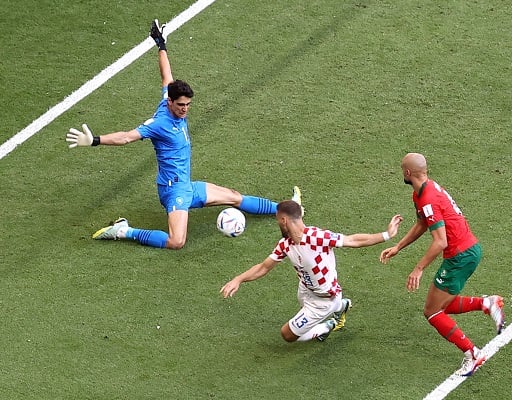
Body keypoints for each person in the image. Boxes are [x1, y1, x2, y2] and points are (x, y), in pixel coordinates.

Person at [66, 20, 301, 250]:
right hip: (173, 190)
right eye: (180, 105)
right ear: (170, 102)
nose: (185, 109)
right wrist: (95, 140)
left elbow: (166, 76)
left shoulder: (170, 99)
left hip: (187, 186)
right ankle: (123, 230)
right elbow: (127, 137)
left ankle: (285, 209)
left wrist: (161, 45)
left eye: (188, 105)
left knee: (234, 197)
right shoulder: (159, 123)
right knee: (176, 241)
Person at [379, 153, 505, 376]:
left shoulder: (427, 198)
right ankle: (486, 303)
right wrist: (399, 247)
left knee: (432, 312)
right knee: (440, 305)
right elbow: (422, 224)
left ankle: (472, 353)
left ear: (408, 173)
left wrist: (418, 268)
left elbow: (440, 241)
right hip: (467, 251)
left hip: (460, 256)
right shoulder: (423, 193)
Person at [221, 200, 403, 342]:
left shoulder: (316, 237)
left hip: (324, 300)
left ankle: (328, 324)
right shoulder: (285, 244)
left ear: (284, 220)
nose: (278, 224)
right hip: (306, 289)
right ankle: (342, 307)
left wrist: (386, 235)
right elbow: (263, 267)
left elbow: (352, 240)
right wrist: (239, 279)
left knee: (287, 335)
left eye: (278, 220)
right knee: (303, 314)